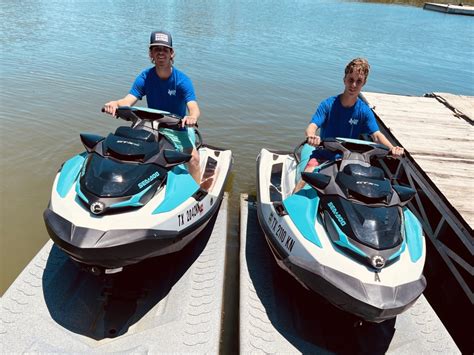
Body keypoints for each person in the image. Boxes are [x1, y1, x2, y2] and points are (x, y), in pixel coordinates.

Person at [103, 30, 201, 184]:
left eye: (164, 49)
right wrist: (115, 104)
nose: (161, 53)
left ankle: (198, 194)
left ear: (171, 53)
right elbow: (127, 101)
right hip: (151, 127)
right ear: (151, 54)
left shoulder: (182, 81)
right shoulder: (145, 77)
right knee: (129, 152)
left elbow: (193, 106)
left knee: (194, 159)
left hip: (176, 129)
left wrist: (192, 117)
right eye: (156, 49)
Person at [293, 58, 404, 193]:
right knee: (305, 182)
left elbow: (376, 135)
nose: (353, 85)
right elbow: (312, 125)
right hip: (323, 155)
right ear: (344, 79)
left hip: (350, 160)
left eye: (359, 81)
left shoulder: (364, 111)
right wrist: (311, 136)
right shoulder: (328, 104)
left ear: (364, 83)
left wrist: (392, 149)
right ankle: (290, 202)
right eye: (351, 79)